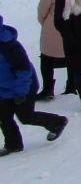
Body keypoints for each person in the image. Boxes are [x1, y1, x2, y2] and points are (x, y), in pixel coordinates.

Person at [1, 14, 68, 156]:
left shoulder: (9, 46)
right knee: (3, 116)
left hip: (24, 86)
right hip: (3, 88)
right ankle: (13, 145)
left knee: (26, 117)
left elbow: (24, 70)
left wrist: (21, 92)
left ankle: (57, 122)